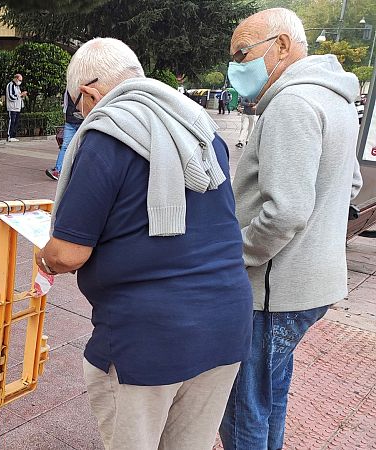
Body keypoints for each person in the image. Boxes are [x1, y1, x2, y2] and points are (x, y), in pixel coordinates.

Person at [35, 37, 252, 450]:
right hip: (226, 322)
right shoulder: (200, 126)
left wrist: (43, 257)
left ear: (88, 93)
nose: (79, 114)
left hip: (150, 336)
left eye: (76, 104)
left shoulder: (107, 134)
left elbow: (67, 253)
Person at [221, 8, 362, 450]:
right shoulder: (333, 98)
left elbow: (285, 212)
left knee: (244, 409)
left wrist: (237, 254)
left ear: (281, 46)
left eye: (242, 53)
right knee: (269, 393)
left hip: (272, 290)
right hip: (309, 284)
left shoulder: (292, 103)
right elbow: (351, 183)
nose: (236, 66)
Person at [46, 86, 90, 180]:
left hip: (71, 119)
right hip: (83, 120)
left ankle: (58, 171)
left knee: (66, 146)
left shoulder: (70, 87)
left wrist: (66, 117)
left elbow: (65, 104)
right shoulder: (88, 86)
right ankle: (81, 171)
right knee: (83, 146)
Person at [6, 73, 27, 142]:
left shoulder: (17, 87)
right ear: (16, 78)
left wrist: (21, 96)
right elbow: (11, 96)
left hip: (17, 108)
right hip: (12, 107)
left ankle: (13, 136)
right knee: (12, 121)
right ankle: (9, 136)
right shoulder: (10, 85)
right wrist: (20, 95)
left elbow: (18, 96)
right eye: (19, 80)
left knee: (16, 122)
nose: (20, 82)